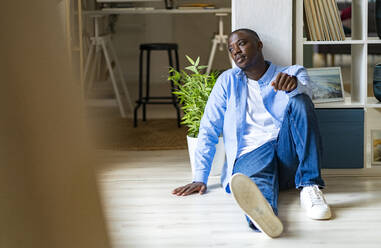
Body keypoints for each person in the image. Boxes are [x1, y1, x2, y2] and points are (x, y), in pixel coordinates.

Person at [172, 28, 331, 238]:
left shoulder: (293, 72)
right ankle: (264, 218)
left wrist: (294, 89)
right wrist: (200, 176)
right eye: (231, 48)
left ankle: (310, 186)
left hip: (287, 155)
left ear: (259, 45)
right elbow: (209, 127)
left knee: (301, 101)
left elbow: (308, 98)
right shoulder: (227, 81)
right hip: (251, 154)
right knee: (256, 187)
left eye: (242, 43)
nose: (236, 51)